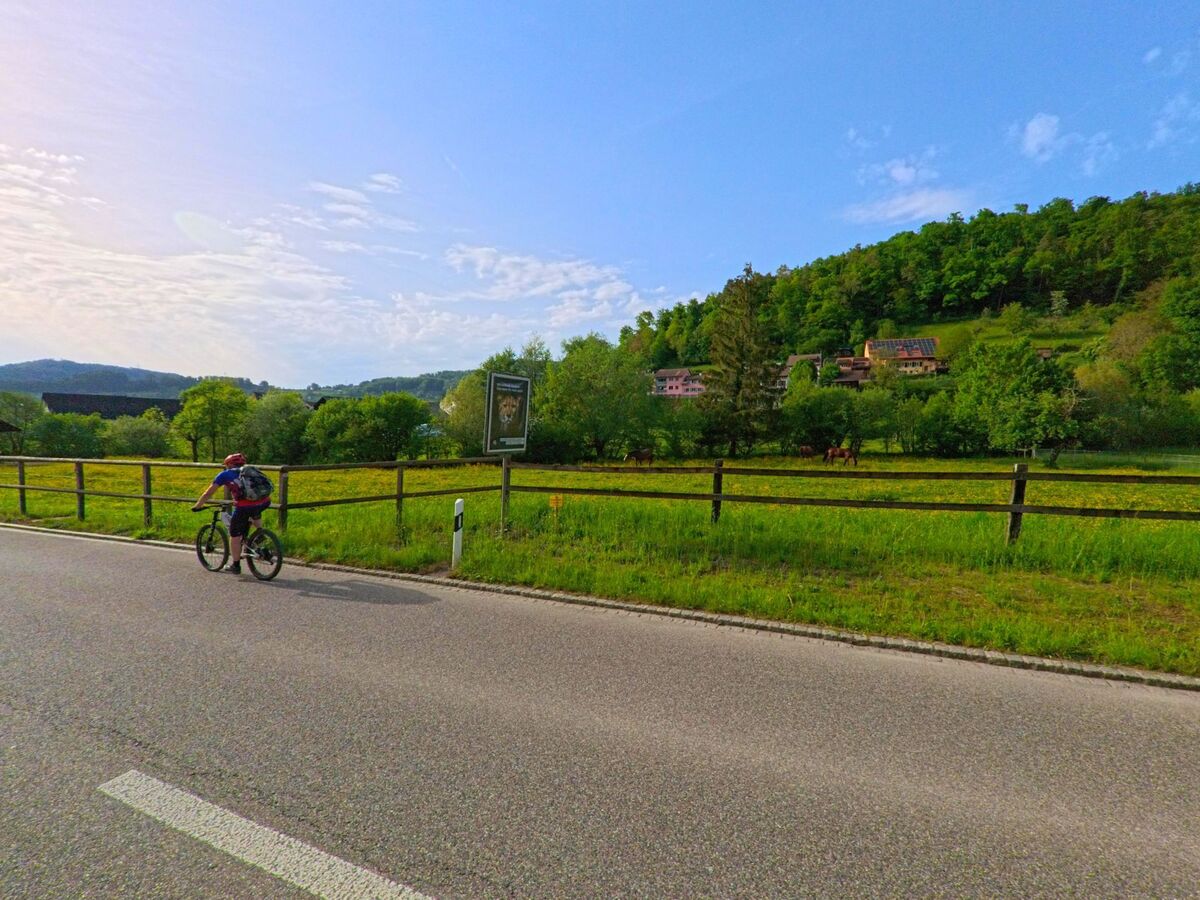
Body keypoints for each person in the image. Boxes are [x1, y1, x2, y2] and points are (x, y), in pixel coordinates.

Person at [192, 452, 271, 575]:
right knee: (254, 511)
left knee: (234, 536)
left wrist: (198, 506)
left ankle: (235, 565)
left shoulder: (225, 474)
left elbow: (208, 493)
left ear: (228, 464)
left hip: (244, 506)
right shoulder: (251, 470)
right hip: (264, 502)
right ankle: (259, 534)